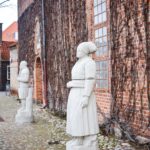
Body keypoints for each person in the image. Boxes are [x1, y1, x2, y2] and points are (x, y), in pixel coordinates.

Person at [66, 42, 99, 148]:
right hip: (75, 93)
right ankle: (77, 138)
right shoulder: (79, 62)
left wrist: (86, 96)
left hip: (82, 93)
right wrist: (72, 83)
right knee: (74, 117)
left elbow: (90, 80)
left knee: (82, 117)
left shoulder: (89, 62)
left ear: (85, 52)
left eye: (80, 50)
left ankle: (86, 140)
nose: (77, 52)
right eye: (77, 50)